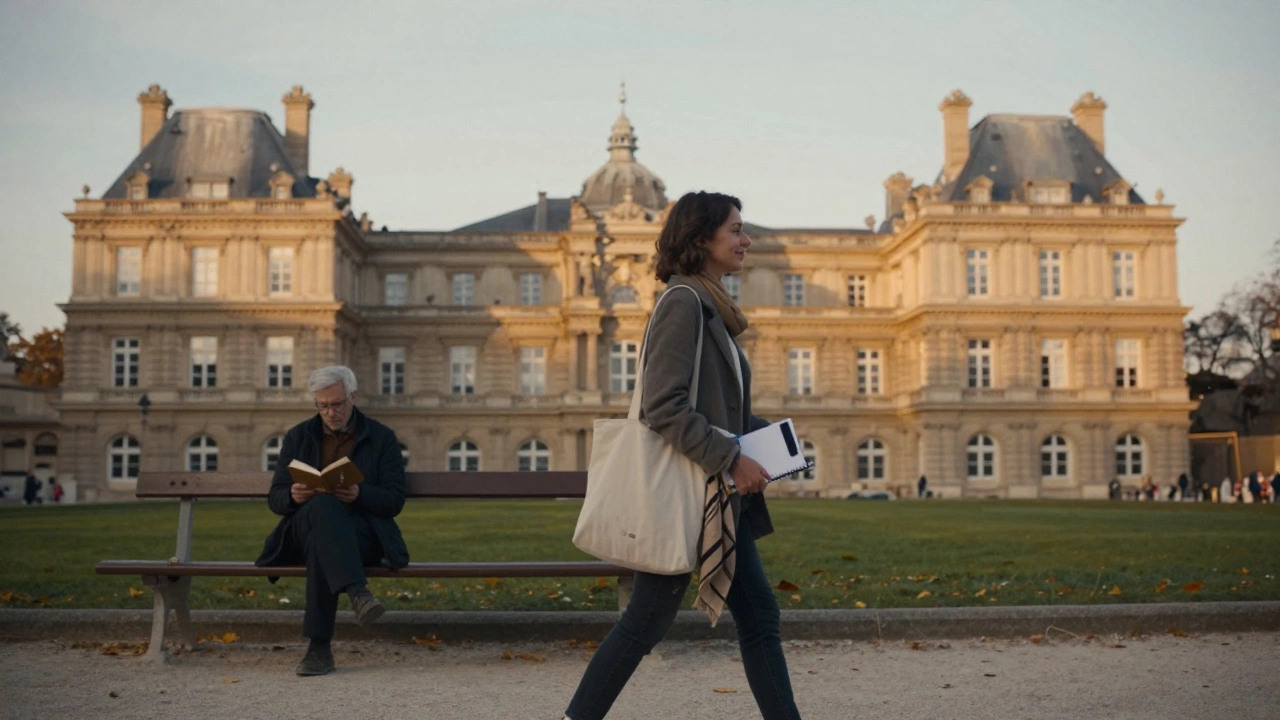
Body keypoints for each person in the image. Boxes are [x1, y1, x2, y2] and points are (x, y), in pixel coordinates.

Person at [561, 192, 802, 720]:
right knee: (645, 623)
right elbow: (662, 406)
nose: (747, 240)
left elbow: (715, 410)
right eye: (736, 230)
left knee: (759, 617)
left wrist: (771, 442)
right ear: (701, 240)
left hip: (712, 492)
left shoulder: (708, 304)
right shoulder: (683, 302)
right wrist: (730, 457)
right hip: (692, 492)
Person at [255, 365, 408, 677]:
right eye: (322, 405)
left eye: (336, 404)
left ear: (352, 397)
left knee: (321, 543)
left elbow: (394, 500)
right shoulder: (299, 436)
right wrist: (293, 496)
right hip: (303, 526)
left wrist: (358, 494)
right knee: (321, 507)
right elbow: (276, 497)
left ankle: (318, 649)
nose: (329, 412)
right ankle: (357, 592)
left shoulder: (381, 438)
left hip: (360, 535)